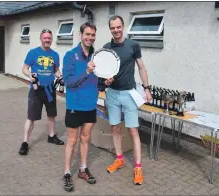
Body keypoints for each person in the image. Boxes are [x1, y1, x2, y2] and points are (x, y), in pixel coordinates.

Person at [103, 15, 152, 185]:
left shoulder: (133, 45)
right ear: (110, 29)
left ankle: (138, 167)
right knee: (115, 128)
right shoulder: (106, 48)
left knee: (133, 131)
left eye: (118, 27)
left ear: (123, 26)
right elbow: (104, 71)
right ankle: (119, 159)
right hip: (112, 94)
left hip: (128, 94)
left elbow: (141, 67)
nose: (116, 30)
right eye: (112, 28)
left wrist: (147, 88)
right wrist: (105, 81)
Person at [62, 22, 98, 192]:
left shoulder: (96, 57)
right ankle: (67, 172)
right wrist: (87, 71)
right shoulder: (70, 55)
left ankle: (83, 169)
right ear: (81, 35)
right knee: (72, 140)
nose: (90, 38)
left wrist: (105, 82)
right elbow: (68, 82)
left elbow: (97, 81)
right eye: (87, 34)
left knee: (85, 138)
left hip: (90, 105)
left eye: (93, 35)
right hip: (74, 105)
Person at [18, 29, 64, 155]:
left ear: (52, 39)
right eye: (45, 38)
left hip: (50, 89)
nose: (47, 40)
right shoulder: (33, 53)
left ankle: (51, 136)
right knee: (31, 117)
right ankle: (25, 143)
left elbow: (56, 70)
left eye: (49, 38)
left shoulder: (55, 55)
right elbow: (24, 68)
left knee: (51, 115)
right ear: (41, 38)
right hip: (36, 89)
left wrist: (59, 76)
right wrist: (30, 75)